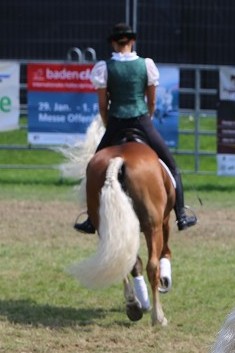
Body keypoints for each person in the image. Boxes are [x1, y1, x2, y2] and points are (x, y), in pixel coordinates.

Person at [74, 23, 197, 233]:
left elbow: (103, 106)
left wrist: (108, 123)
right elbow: (152, 103)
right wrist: (145, 119)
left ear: (113, 43)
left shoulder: (104, 68)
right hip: (141, 121)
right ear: (132, 41)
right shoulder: (146, 65)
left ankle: (91, 220)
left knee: (92, 169)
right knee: (172, 166)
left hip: (115, 123)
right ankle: (181, 216)